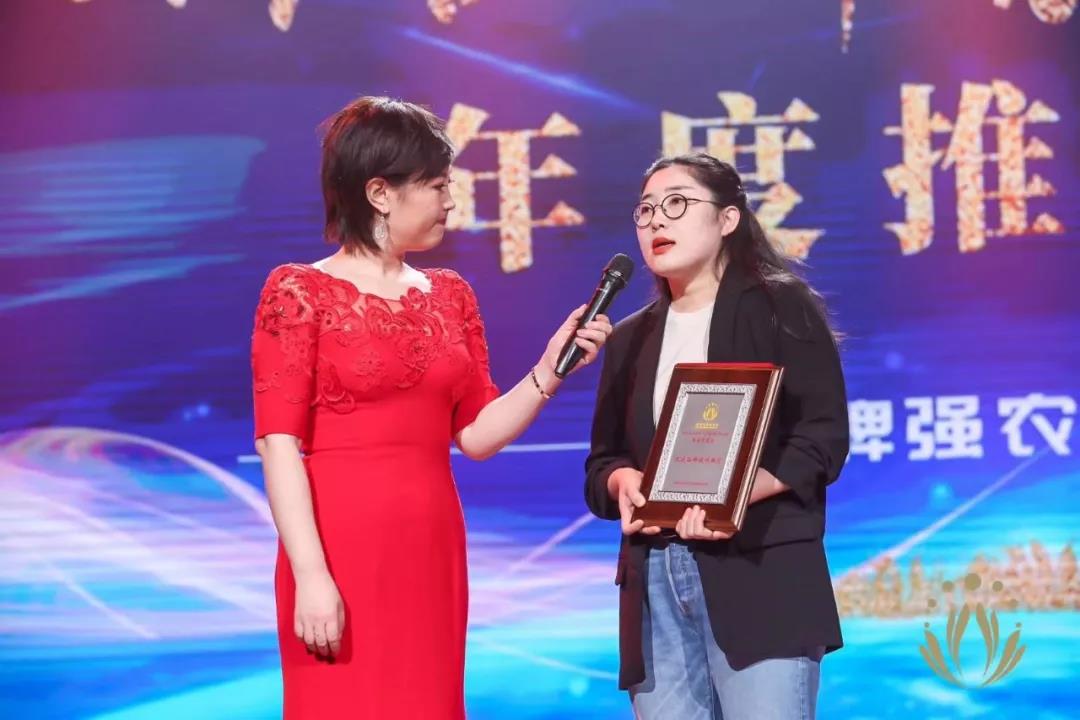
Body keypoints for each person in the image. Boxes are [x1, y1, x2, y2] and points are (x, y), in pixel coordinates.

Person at [251, 96, 612, 718]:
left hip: (429, 545)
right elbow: (277, 443)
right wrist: (310, 574)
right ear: (380, 192)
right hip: (337, 547)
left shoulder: (451, 294)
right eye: (439, 186)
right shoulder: (298, 290)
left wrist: (551, 369)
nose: (451, 201)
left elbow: (476, 435)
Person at [584, 152, 848, 719]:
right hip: (655, 578)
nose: (657, 220)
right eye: (646, 210)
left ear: (728, 219)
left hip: (760, 572)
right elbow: (602, 461)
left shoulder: (779, 305)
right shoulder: (629, 338)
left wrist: (745, 489)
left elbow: (823, 437)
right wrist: (621, 481)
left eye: (677, 203)